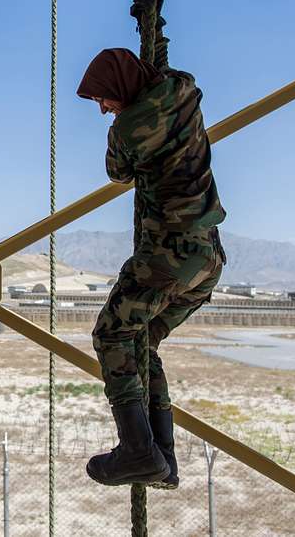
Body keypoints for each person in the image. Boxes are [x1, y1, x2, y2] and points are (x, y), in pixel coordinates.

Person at [76, 48, 227, 489]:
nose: (103, 108)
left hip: (168, 253)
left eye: (103, 98)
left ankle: (140, 450)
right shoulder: (184, 90)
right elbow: (169, 74)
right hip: (207, 258)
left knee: (111, 334)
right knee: (143, 341)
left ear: (120, 89)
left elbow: (117, 173)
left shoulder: (126, 129)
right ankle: (162, 458)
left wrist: (119, 125)